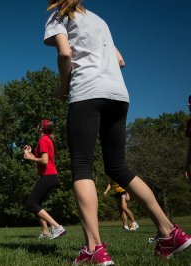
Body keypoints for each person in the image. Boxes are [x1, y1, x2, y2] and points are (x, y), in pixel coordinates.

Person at [44, 1, 191, 264]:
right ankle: (169, 233)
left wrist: (63, 86)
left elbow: (65, 54)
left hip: (87, 93)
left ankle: (93, 249)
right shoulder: (99, 20)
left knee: (81, 165)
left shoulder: (59, 17)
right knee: (118, 167)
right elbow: (120, 60)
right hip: (118, 94)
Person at [23, 119, 66, 239]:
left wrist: (31, 158)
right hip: (51, 176)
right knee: (37, 204)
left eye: (38, 124)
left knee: (31, 203)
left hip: (49, 176)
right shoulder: (46, 139)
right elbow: (41, 158)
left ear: (41, 128)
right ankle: (46, 231)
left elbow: (45, 161)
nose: (36, 126)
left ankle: (57, 227)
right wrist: (30, 153)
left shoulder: (43, 140)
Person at [185, 95, 191, 180]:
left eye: (190, 102)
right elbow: (190, 145)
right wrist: (186, 166)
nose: (188, 104)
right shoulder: (190, 123)